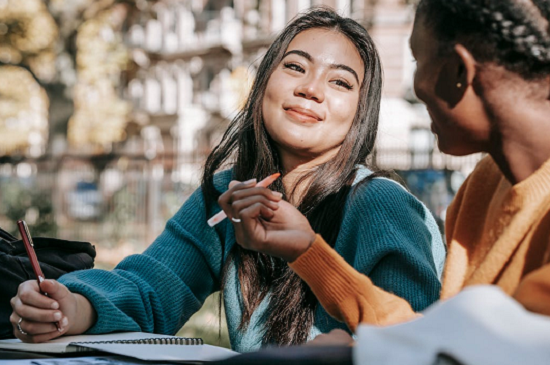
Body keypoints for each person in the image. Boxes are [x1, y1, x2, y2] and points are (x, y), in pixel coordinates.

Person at [9, 8, 445, 352]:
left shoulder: (380, 204)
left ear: (360, 115)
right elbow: (152, 287)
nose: (311, 89)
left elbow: (415, 338)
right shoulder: (227, 193)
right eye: (295, 67)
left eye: (340, 82)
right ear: (263, 84)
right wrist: (74, 308)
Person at [219, 0, 550, 344]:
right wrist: (307, 250)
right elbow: (442, 338)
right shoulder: (483, 186)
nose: (415, 85)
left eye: (417, 62)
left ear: (458, 72)